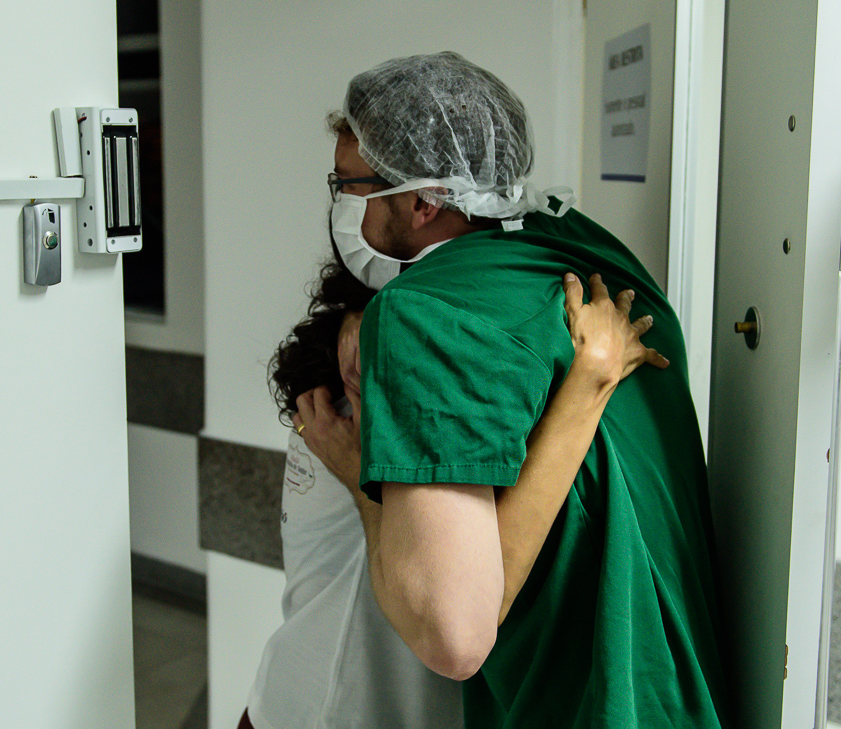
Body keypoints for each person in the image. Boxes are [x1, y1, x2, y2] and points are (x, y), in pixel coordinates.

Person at [295, 52, 728, 728]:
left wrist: (358, 476)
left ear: (419, 200)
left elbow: (454, 636)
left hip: (583, 706)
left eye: (347, 184)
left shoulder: (425, 316)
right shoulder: (592, 255)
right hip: (683, 686)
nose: (339, 202)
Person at [242, 256, 666, 729]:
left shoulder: (410, 406)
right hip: (302, 707)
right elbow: (472, 612)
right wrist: (594, 374)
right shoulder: (343, 410)